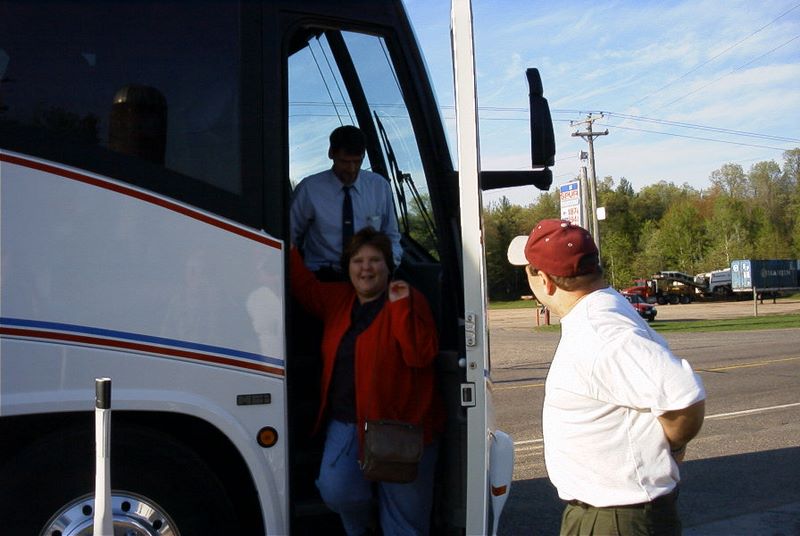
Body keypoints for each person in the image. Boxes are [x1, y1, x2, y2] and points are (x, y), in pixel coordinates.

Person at [507, 219, 706, 536]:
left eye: (528, 271)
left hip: (616, 519)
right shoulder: (602, 310)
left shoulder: (601, 333)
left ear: (545, 281)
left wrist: (674, 445)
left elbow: (684, 397)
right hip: (609, 513)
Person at [290, 227, 442, 535]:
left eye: (375, 260)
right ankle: (366, 526)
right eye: (358, 260)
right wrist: (289, 244)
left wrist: (400, 307)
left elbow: (419, 355)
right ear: (348, 267)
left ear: (388, 266)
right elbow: (304, 286)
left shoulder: (408, 300)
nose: (366, 267)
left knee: (405, 523)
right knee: (336, 490)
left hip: (401, 428)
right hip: (348, 423)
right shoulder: (338, 300)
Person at [290, 125, 402, 281]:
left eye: (357, 161)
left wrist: (389, 264)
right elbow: (290, 238)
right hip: (323, 279)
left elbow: (391, 236)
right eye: (344, 162)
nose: (351, 169)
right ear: (331, 154)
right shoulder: (309, 190)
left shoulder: (379, 187)